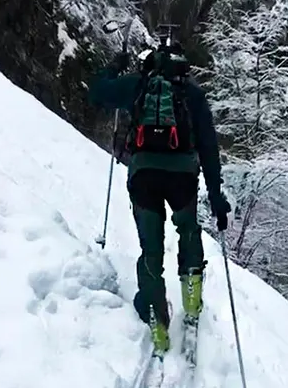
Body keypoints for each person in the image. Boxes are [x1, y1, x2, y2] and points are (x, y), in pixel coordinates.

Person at [87, 39, 231, 356]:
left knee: (150, 248)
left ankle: (156, 320)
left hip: (143, 176)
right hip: (182, 177)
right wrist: (216, 193)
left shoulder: (137, 85)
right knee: (188, 230)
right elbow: (208, 146)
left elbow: (97, 92)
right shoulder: (191, 93)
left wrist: (114, 65)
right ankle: (191, 300)